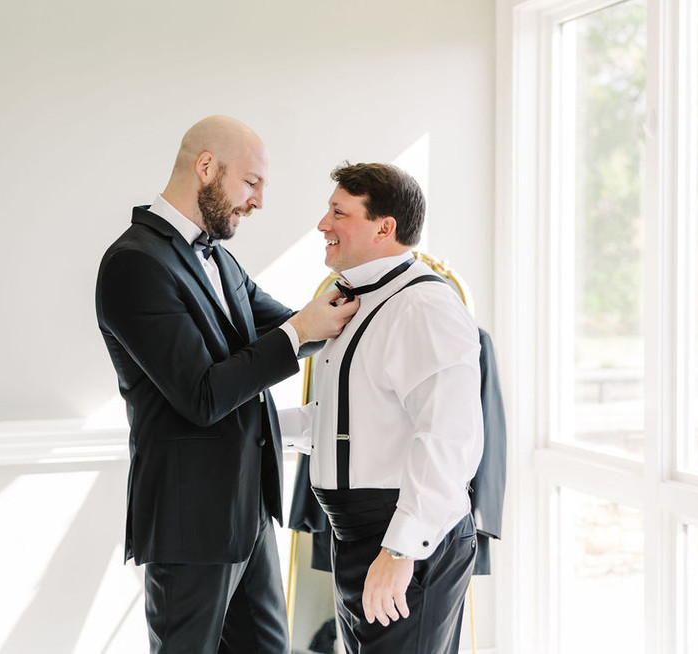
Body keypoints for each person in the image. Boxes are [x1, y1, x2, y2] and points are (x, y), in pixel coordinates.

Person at [95, 115, 359, 654]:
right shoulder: (133, 264)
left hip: (250, 515)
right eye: (252, 182)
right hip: (190, 526)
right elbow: (203, 395)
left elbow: (292, 327)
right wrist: (300, 330)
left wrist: (369, 302)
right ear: (207, 167)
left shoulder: (220, 257)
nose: (258, 201)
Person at [281, 162, 483, 653]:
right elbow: (342, 421)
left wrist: (399, 549)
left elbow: (447, 437)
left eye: (338, 212)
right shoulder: (357, 301)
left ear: (383, 227)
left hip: (399, 533)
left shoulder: (423, 307)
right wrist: (251, 423)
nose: (322, 225)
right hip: (354, 534)